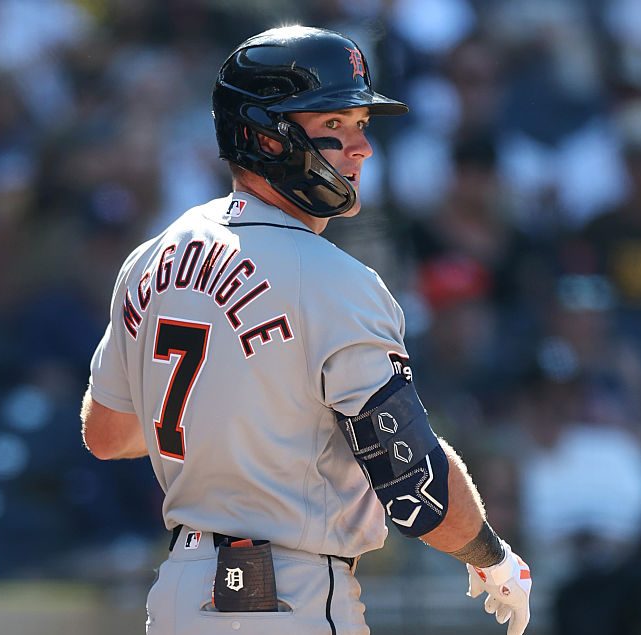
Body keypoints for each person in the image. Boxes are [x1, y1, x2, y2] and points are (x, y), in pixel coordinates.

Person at [80, 25, 531, 635]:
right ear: (266, 136)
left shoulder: (152, 257)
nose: (360, 149)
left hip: (180, 595)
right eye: (333, 127)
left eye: (361, 126)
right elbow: (412, 480)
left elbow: (107, 433)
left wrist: (237, 422)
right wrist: (489, 555)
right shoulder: (335, 281)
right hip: (287, 596)